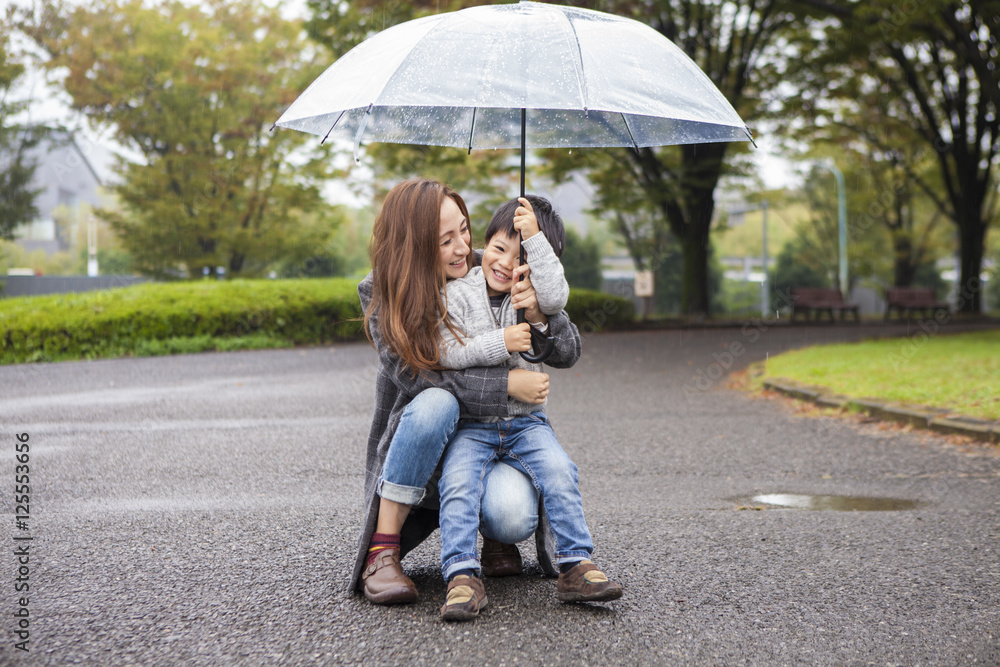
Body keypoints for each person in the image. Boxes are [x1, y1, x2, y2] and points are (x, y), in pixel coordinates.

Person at [352, 179, 583, 604]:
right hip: (424, 443)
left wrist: (538, 313)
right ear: (413, 247)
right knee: (435, 403)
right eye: (445, 240)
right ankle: (382, 550)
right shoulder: (383, 291)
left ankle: (494, 534)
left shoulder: (495, 264)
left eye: (464, 229)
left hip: (495, 434)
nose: (463, 248)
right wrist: (506, 384)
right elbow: (421, 379)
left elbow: (567, 351)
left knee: (512, 516)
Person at [435, 196, 622, 621]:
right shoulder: (459, 293)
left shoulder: (534, 294)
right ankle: (462, 574)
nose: (504, 263)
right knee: (459, 481)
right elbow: (446, 350)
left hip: (526, 424)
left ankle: (575, 564)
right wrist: (500, 343)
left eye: (521, 256)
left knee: (560, 470)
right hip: (473, 425)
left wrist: (535, 291)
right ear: (486, 244)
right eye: (498, 249)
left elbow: (558, 298)